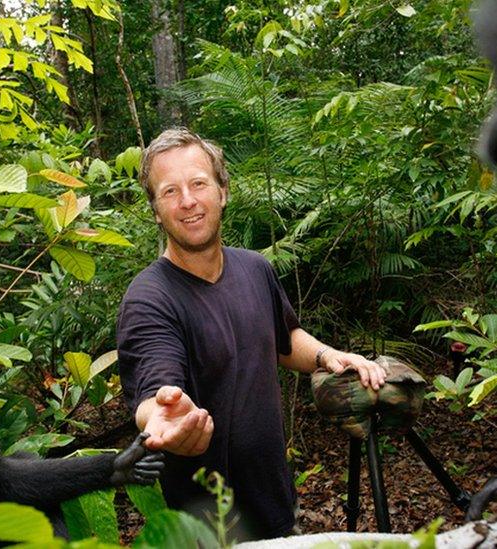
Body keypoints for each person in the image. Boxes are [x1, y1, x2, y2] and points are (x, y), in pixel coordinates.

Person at [116, 127, 386, 540]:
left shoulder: (254, 268)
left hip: (274, 500)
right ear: (155, 209)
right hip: (208, 527)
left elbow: (283, 338)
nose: (187, 201)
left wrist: (327, 355)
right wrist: (163, 418)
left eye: (198, 184)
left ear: (223, 191)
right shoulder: (149, 299)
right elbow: (154, 391)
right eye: (169, 191)